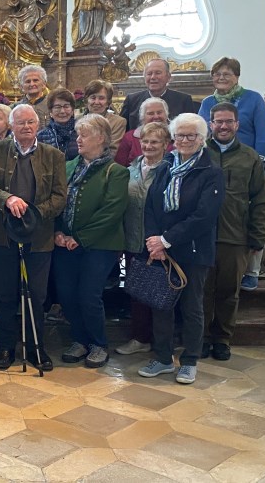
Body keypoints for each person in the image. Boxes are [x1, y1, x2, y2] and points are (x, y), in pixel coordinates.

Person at [0, 105, 67, 371]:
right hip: (2, 235)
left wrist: (34, 213)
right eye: (20, 123)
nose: (26, 127)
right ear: (11, 125)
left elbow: (60, 196)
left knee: (36, 295)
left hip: (39, 236)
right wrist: (9, 200)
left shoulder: (53, 155)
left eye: (30, 122)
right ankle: (5, 346)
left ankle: (34, 347)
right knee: (5, 294)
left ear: (38, 124)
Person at [139, 114, 224, 385]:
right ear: (173, 140)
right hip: (162, 250)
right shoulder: (166, 167)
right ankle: (164, 358)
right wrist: (155, 241)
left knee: (191, 306)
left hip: (194, 250)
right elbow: (151, 206)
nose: (185, 141)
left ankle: (189, 361)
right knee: (161, 304)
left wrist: (166, 240)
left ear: (202, 139)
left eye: (191, 136)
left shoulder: (211, 172)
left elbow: (204, 216)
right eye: (180, 136)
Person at [53, 114, 129, 369]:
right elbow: (56, 201)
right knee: (66, 293)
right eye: (78, 134)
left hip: (99, 245)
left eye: (84, 134)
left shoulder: (116, 172)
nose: (78, 139)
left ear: (101, 138)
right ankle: (79, 340)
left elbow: (111, 211)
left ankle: (98, 343)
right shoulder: (68, 166)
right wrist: (58, 232)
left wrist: (81, 238)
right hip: (65, 243)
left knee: (89, 294)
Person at [203, 103, 265, 361]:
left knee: (229, 292)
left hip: (235, 236)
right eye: (218, 121)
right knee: (202, 292)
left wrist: (257, 236)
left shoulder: (250, 157)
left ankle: (222, 338)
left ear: (237, 125)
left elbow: (260, 200)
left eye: (228, 121)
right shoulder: (199, 153)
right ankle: (202, 337)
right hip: (202, 236)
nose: (223, 126)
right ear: (210, 124)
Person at [116, 122, 171, 356]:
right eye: (145, 141)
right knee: (137, 292)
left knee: (160, 294)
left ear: (166, 145)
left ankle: (162, 342)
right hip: (132, 241)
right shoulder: (129, 170)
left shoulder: (170, 171)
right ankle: (139, 338)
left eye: (155, 142)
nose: (149, 146)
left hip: (159, 243)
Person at [198, 57, 265, 161]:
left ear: (237, 77)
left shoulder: (254, 99)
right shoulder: (207, 102)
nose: (221, 78)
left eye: (226, 74)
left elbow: (264, 136)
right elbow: (199, 134)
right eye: (217, 74)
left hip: (246, 162)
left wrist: (259, 163)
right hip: (213, 163)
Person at [120, 58, 196, 132]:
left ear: (168, 77)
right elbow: (123, 130)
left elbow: (191, 130)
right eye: (149, 74)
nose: (153, 77)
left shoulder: (183, 100)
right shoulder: (132, 100)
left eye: (158, 73)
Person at [115, 97, 173, 167]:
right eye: (150, 113)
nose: (156, 116)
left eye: (159, 112)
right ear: (142, 117)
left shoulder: (177, 137)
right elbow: (120, 166)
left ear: (166, 114)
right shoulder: (129, 137)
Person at [81, 80, 126, 154]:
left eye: (101, 98)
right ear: (86, 100)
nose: (96, 102)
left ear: (108, 102)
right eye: (93, 98)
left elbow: (113, 151)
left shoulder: (118, 122)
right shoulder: (78, 120)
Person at [36, 88, 78, 160]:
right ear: (50, 111)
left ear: (72, 110)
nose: (62, 111)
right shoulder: (41, 136)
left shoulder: (80, 132)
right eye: (57, 107)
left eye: (66, 106)